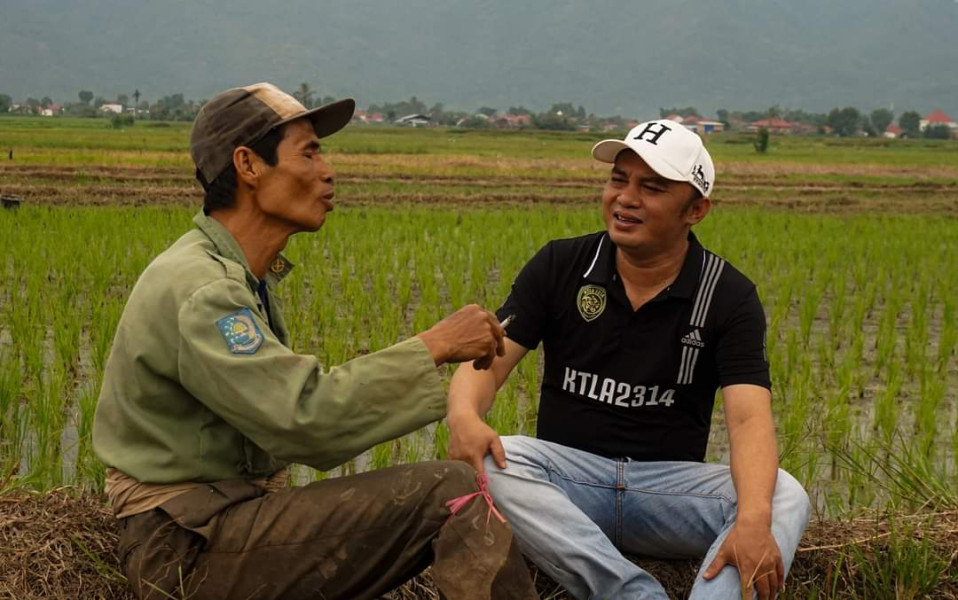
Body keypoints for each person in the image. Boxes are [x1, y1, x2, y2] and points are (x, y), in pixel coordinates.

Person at [92, 82, 538, 600]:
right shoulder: (204, 289)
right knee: (450, 490)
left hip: (219, 522)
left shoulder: (236, 274)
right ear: (249, 165)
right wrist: (434, 345)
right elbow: (306, 420)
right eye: (309, 152)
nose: (328, 171)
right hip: (185, 549)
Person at [447, 120, 811, 600]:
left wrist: (753, 521)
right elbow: (489, 362)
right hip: (570, 485)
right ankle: (631, 594)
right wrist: (463, 415)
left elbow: (748, 419)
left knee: (784, 496)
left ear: (696, 210)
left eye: (652, 187)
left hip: (667, 495)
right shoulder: (561, 265)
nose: (626, 198)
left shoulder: (727, 294)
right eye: (619, 179)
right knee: (495, 462)